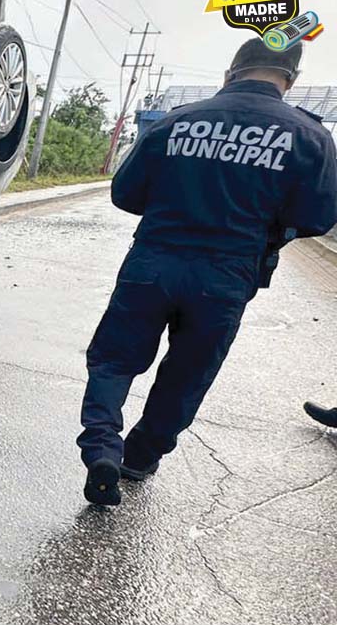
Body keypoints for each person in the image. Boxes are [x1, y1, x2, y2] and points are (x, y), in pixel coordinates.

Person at [78, 38, 337, 506]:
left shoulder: (177, 120)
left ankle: (100, 445)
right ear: (291, 81)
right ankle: (138, 457)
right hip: (228, 273)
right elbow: (318, 219)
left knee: (114, 359)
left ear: (230, 72)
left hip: (154, 259)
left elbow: (125, 193)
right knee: (188, 373)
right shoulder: (311, 137)